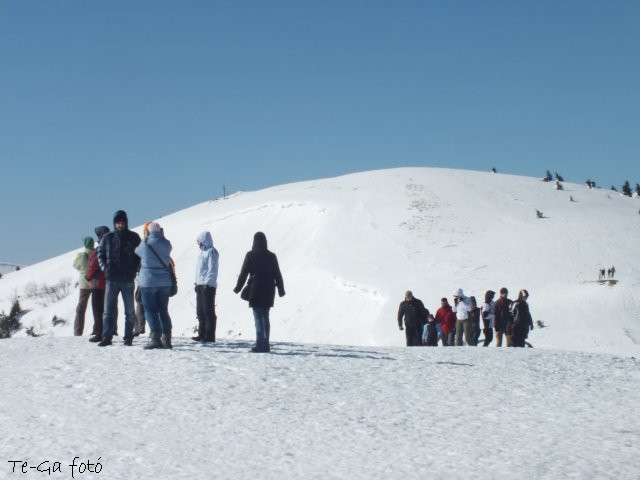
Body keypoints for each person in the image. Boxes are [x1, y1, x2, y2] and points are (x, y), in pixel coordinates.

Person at [233, 232, 285, 352]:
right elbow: (278, 274)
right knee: (266, 317)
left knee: (258, 317)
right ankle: (265, 344)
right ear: (265, 241)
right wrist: (281, 290)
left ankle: (261, 345)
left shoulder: (251, 255)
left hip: (255, 290)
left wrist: (238, 288)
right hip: (269, 291)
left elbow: (244, 273)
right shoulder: (272, 256)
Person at [96, 210, 141, 347]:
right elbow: (100, 254)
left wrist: (135, 269)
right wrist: (105, 268)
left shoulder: (134, 237)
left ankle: (128, 338)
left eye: (122, 223)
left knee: (130, 312)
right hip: (112, 279)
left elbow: (140, 256)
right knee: (108, 311)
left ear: (126, 223)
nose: (120, 225)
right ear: (114, 223)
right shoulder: (107, 238)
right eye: (118, 223)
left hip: (128, 279)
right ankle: (106, 337)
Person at [134, 222, 173, 349]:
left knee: (150, 310)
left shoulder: (145, 244)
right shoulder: (167, 244)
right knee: (163, 310)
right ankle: (167, 339)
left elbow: (137, 251)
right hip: (164, 282)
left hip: (148, 282)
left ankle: (155, 338)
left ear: (148, 232)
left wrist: (145, 238)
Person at [193, 231, 219, 342]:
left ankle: (209, 335)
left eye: (200, 242)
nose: (199, 245)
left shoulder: (211, 252)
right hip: (200, 284)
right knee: (200, 311)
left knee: (208, 311)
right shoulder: (202, 253)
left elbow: (212, 268)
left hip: (208, 285)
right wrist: (196, 283)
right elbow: (200, 270)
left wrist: (208, 283)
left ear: (204, 241)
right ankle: (202, 333)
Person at [86, 226, 111, 342]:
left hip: (97, 283)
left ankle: (99, 333)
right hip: (108, 282)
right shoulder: (111, 246)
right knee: (107, 309)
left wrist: (88, 276)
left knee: (97, 309)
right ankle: (108, 331)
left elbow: (93, 265)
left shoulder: (99, 248)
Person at [72, 237, 95, 336]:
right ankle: (97, 330)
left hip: (84, 285)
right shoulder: (96, 254)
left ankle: (78, 332)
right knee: (97, 308)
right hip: (95, 283)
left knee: (81, 309)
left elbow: (75, 265)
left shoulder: (81, 256)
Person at [133, 221, 152, 337]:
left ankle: (139, 327)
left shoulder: (143, 244)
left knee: (140, 302)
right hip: (156, 279)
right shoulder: (161, 242)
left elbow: (137, 258)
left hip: (143, 277)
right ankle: (156, 329)